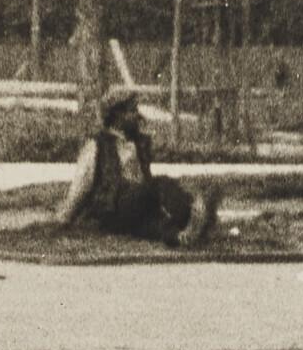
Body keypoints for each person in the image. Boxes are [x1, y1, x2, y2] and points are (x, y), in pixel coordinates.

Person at [59, 85, 217, 246]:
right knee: (160, 184)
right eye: (132, 111)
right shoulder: (97, 145)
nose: (137, 116)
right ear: (117, 115)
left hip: (134, 208)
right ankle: (192, 214)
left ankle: (181, 236)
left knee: (152, 223)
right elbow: (82, 184)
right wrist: (65, 218)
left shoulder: (139, 143)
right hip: (112, 208)